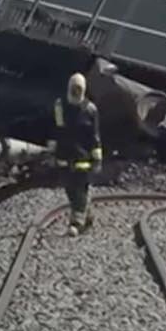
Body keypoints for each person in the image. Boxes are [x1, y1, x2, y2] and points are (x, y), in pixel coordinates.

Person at [52, 72, 102, 237]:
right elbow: (57, 129)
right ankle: (87, 215)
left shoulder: (90, 110)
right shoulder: (60, 106)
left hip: (83, 158)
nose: (76, 92)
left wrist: (97, 159)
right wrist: (55, 150)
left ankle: (76, 223)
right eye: (74, 88)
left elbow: (94, 136)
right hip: (65, 155)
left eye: (79, 89)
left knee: (80, 189)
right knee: (70, 189)